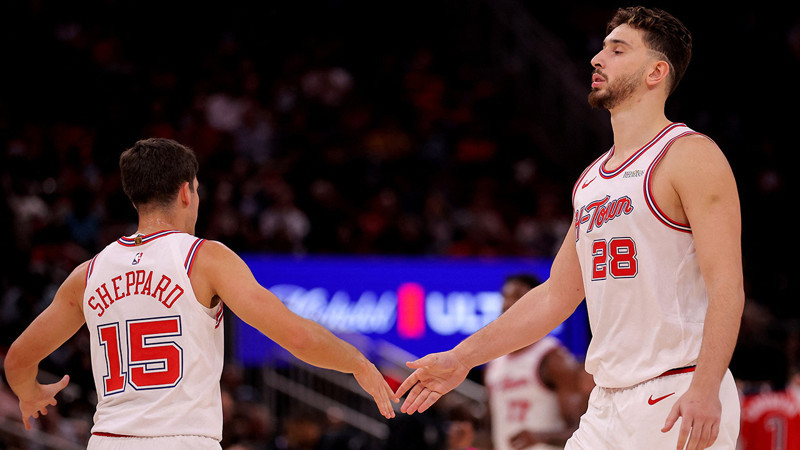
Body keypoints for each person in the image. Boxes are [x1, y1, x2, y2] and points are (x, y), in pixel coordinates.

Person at [394, 6, 744, 450]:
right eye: (602, 48)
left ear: (657, 71)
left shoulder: (690, 155)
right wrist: (461, 359)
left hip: (678, 390)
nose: (597, 59)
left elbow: (727, 284)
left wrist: (706, 386)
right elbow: (555, 295)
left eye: (617, 50)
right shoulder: (592, 179)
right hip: (605, 403)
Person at [3, 138, 397, 449]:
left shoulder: (86, 274)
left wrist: (29, 394)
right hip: (184, 442)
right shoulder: (204, 259)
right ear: (186, 192)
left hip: (108, 442)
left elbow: (18, 358)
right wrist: (357, 362)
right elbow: (295, 336)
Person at [484, 274, 593, 450]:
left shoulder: (553, 359)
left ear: (535, 304)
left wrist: (541, 437)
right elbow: (490, 430)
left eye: (517, 297)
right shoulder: (493, 363)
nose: (508, 304)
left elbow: (582, 429)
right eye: (505, 297)